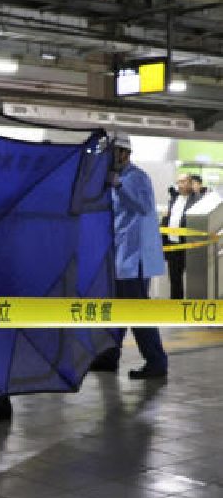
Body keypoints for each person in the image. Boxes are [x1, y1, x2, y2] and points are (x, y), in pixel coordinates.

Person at [93, 133, 168, 379]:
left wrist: (119, 186)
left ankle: (156, 362)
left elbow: (144, 206)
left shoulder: (136, 177)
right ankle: (110, 356)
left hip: (135, 260)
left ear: (124, 153)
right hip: (120, 258)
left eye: (111, 154)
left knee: (136, 311)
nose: (107, 159)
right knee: (118, 308)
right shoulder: (115, 179)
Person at [161, 174, 197, 300]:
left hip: (188, 245)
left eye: (183, 182)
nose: (180, 185)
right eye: (178, 182)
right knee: (175, 280)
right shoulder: (174, 199)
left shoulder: (197, 200)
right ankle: (175, 308)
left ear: (190, 183)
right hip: (172, 245)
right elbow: (168, 219)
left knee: (194, 279)